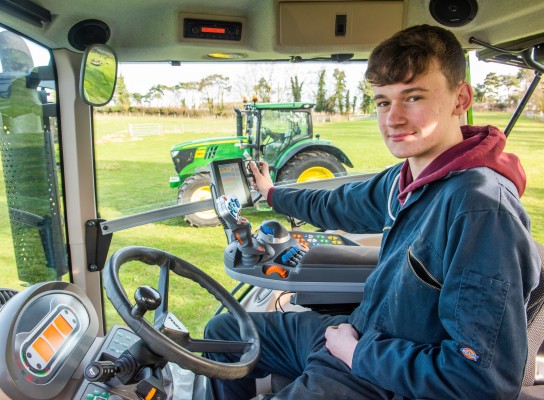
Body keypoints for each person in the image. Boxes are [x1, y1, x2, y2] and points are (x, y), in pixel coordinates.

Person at [204, 24, 541, 399]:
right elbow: (337, 203)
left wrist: (356, 352)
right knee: (226, 334)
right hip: (360, 332)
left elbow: (482, 380)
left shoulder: (480, 209)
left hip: (380, 375)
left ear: (460, 98)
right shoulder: (409, 177)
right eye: (383, 101)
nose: (392, 118)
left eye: (412, 98)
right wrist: (273, 194)